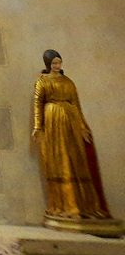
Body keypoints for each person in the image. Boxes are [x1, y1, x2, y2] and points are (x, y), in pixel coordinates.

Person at [32, 50, 121, 234]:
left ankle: (83, 205)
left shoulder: (68, 82)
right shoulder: (42, 82)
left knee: (77, 159)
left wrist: (82, 127)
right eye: (54, 63)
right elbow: (38, 104)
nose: (57, 66)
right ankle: (62, 205)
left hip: (71, 121)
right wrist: (37, 126)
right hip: (53, 120)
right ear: (48, 64)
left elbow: (77, 104)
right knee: (59, 160)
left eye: (59, 62)